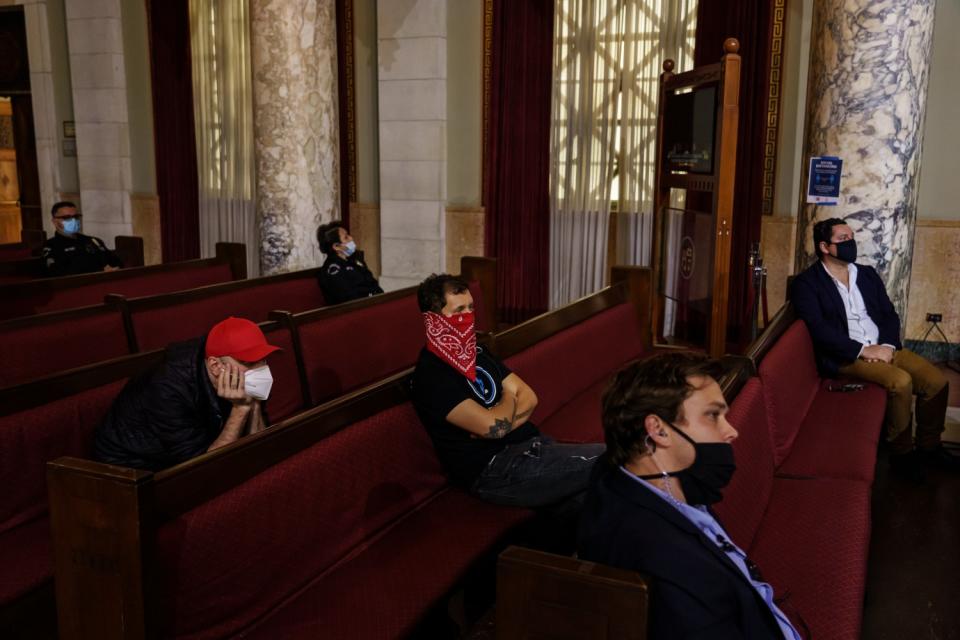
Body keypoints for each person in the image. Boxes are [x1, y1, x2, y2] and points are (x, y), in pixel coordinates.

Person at [578, 352, 803, 640]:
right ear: (658, 429)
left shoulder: (635, 474)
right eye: (713, 415)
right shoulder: (668, 559)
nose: (731, 430)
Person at [410, 273, 604, 508]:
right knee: (612, 459)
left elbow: (529, 398)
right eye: (459, 311)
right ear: (433, 320)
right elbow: (492, 427)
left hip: (533, 446)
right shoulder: (432, 374)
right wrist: (510, 399)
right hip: (494, 470)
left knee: (596, 498)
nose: (468, 317)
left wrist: (503, 420)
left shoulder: (477, 352)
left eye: (471, 308)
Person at [791, 218, 954, 475]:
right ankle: (901, 455)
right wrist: (863, 351)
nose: (851, 243)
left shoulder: (865, 274)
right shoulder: (807, 283)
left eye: (851, 237)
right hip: (848, 356)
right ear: (824, 246)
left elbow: (889, 314)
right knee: (900, 382)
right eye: (842, 239)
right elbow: (819, 330)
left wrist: (887, 346)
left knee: (936, 381)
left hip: (884, 347)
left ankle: (929, 447)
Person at [93, 317, 280, 471]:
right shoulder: (168, 388)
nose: (261, 369)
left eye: (263, 359)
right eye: (249, 362)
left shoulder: (242, 376)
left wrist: (254, 402)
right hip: (130, 466)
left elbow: (260, 451)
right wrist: (240, 409)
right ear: (216, 366)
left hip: (191, 448)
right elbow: (203, 469)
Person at [41, 201, 123, 276]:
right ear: (55, 221)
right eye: (67, 217)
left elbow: (116, 262)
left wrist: (113, 268)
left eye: (76, 216)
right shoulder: (51, 246)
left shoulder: (93, 241)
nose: (73, 220)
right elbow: (59, 272)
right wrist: (99, 271)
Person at [316, 220, 383, 304]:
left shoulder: (355, 260)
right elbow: (348, 297)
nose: (351, 238)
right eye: (346, 237)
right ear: (336, 246)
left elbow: (373, 283)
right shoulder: (333, 269)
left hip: (369, 303)